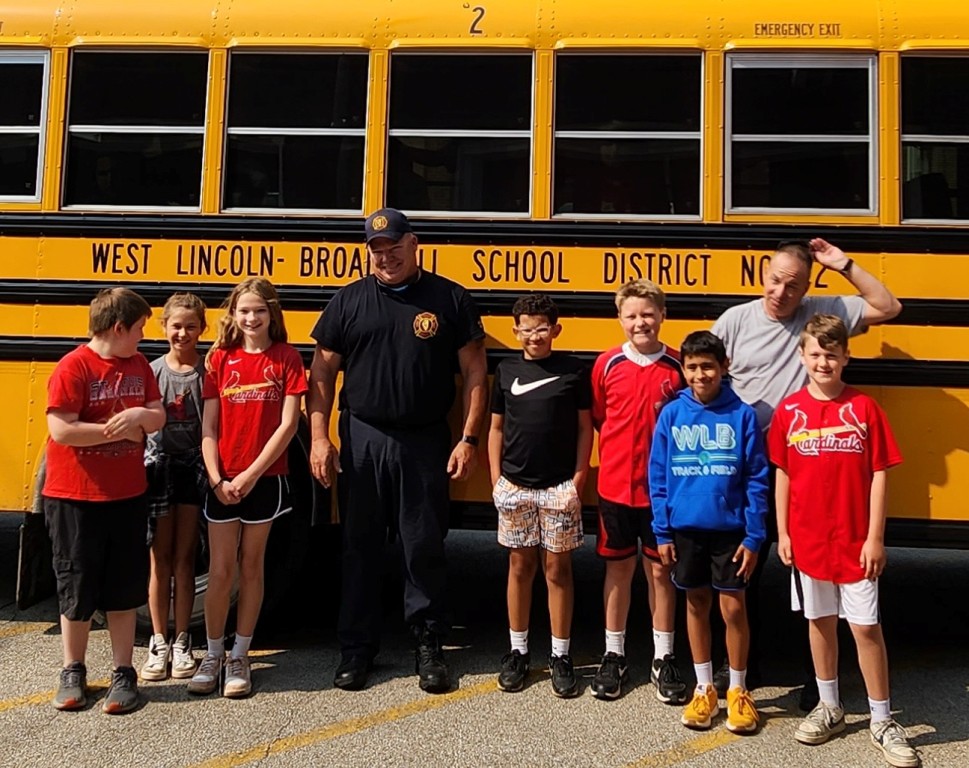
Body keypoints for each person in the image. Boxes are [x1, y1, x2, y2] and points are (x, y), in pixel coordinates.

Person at [710, 238, 902, 704]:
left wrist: (844, 265)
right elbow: (706, 377)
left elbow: (889, 306)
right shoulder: (735, 320)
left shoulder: (820, 313)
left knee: (811, 580)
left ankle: (817, 679)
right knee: (742, 570)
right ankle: (741, 666)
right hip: (748, 470)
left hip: (804, 471)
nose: (781, 292)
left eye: (793, 286)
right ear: (764, 273)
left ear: (807, 288)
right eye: (775, 280)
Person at [308, 207, 488, 694]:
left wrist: (468, 438)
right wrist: (320, 437)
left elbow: (475, 371)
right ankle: (356, 648)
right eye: (377, 250)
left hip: (424, 438)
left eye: (394, 247)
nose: (385, 257)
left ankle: (429, 643)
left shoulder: (449, 298)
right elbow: (321, 374)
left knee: (422, 544)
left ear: (414, 244)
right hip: (363, 437)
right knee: (359, 545)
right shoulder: (348, 301)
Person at [769, 315, 918, 767]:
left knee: (866, 628)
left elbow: (879, 475)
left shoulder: (864, 409)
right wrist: (783, 532)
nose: (823, 362)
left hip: (855, 542)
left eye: (831, 354)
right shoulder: (789, 411)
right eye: (815, 353)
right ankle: (830, 706)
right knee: (819, 622)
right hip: (809, 541)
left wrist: (875, 538)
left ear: (846, 357)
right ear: (802, 356)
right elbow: (783, 473)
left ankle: (882, 719)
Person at [43, 287, 166, 714]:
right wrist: (120, 431)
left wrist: (140, 417)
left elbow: (157, 414)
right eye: (139, 328)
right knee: (76, 584)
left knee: (123, 587)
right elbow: (62, 429)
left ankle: (123, 672)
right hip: (74, 496)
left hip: (127, 495)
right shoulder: (74, 366)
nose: (143, 336)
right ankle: (72, 669)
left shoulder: (139, 366)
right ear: (117, 327)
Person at [188, 278, 307, 698]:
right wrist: (217, 478)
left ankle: (240, 654)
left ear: (272, 313)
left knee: (252, 567)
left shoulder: (287, 357)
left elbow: (288, 425)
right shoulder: (219, 358)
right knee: (221, 570)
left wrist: (250, 475)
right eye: (244, 311)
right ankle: (212, 653)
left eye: (259, 310)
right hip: (223, 480)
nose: (251, 318)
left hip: (264, 479)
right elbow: (208, 427)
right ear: (233, 315)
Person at [650, 331, 768, 733]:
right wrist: (662, 532)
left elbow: (757, 479)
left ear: (724, 367)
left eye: (708, 366)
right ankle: (704, 688)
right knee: (696, 604)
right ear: (683, 370)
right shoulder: (671, 415)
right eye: (692, 367)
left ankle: (738, 688)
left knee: (733, 608)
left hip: (731, 531)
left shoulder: (742, 415)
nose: (700, 375)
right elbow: (658, 478)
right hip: (685, 529)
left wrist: (754, 536)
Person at [489, 293, 593, 697]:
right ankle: (517, 651)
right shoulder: (506, 370)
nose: (534, 336)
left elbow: (585, 428)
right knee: (519, 567)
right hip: (515, 485)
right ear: (516, 331)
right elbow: (496, 429)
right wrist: (497, 480)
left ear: (556, 329)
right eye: (527, 329)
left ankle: (560, 655)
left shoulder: (573, 371)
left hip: (558, 487)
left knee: (557, 569)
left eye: (542, 328)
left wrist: (578, 481)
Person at [589, 279, 687, 703]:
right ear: (620, 318)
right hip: (614, 487)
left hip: (661, 494)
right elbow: (599, 417)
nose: (640, 322)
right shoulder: (606, 364)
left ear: (663, 315)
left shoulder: (678, 367)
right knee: (618, 570)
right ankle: (614, 653)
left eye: (648, 314)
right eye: (631, 315)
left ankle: (664, 657)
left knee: (661, 572)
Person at [140, 293, 208, 683]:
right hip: (160, 466)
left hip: (193, 466)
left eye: (191, 326)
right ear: (163, 326)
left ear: (202, 329)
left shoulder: (206, 373)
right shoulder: (152, 372)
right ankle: (158, 640)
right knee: (159, 559)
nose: (183, 333)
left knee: (185, 558)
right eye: (176, 326)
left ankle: (183, 640)